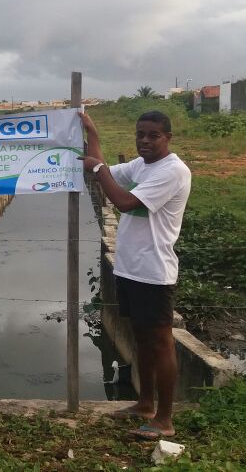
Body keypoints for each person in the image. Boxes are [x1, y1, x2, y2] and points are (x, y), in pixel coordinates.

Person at [78, 110, 191, 439]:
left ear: (167, 138)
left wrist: (97, 169)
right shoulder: (142, 166)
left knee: (161, 343)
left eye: (153, 135)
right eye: (140, 134)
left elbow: (124, 201)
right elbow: (109, 173)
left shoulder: (173, 171)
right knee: (142, 342)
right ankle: (144, 404)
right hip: (130, 268)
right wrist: (94, 135)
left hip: (154, 272)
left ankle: (165, 420)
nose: (144, 140)